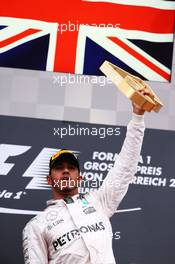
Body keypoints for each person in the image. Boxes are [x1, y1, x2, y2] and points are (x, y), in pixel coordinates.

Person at [22, 101, 146, 264]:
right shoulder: (37, 225)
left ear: (79, 178)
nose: (66, 171)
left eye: (71, 168)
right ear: (49, 180)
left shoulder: (99, 201)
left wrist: (138, 117)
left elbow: (125, 167)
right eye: (59, 168)